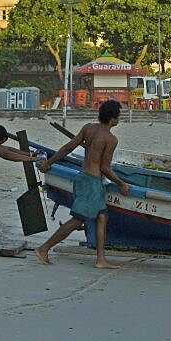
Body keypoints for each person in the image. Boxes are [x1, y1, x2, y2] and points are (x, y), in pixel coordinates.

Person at [35, 100, 130, 268]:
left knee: (102, 217)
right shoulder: (110, 139)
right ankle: (44, 248)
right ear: (113, 118)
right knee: (77, 220)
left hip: (83, 178)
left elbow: (68, 148)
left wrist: (49, 163)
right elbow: (105, 168)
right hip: (92, 183)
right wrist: (121, 183)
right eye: (119, 115)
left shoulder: (88, 128)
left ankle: (101, 259)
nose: (119, 118)